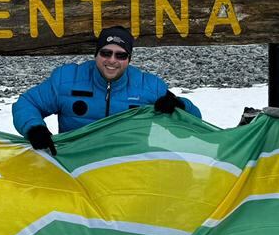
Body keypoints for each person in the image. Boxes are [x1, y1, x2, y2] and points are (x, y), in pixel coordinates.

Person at [12, 26, 201, 154]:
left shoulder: (149, 86)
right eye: (106, 53)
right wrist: (34, 128)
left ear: (129, 59)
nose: (112, 60)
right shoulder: (67, 79)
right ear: (96, 54)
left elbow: (194, 121)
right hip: (75, 166)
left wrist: (179, 105)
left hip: (128, 169)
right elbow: (27, 103)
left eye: (120, 55)